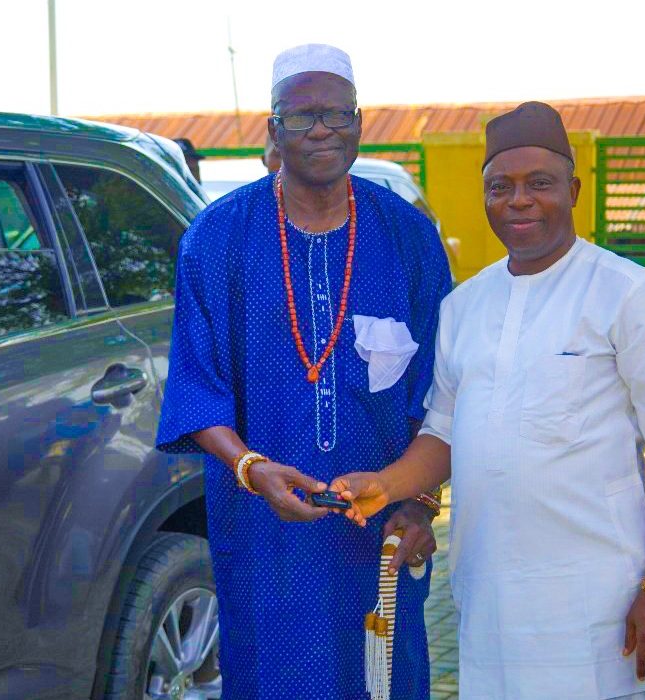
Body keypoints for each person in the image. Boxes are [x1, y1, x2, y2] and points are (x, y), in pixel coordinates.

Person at [330, 102, 645, 700]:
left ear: (573, 191)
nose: (519, 200)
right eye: (500, 186)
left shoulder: (628, 293)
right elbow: (444, 430)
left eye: (540, 183)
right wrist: (388, 484)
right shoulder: (464, 306)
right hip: (492, 603)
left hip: (601, 605)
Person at [156, 43, 451, 698]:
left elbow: (441, 390)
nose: (322, 129)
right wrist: (251, 469)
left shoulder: (408, 236)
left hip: (377, 524)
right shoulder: (216, 238)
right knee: (273, 676)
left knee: (383, 674)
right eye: (302, 115)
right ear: (273, 129)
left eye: (337, 114)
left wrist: (420, 504)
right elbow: (196, 389)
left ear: (359, 123)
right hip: (262, 526)